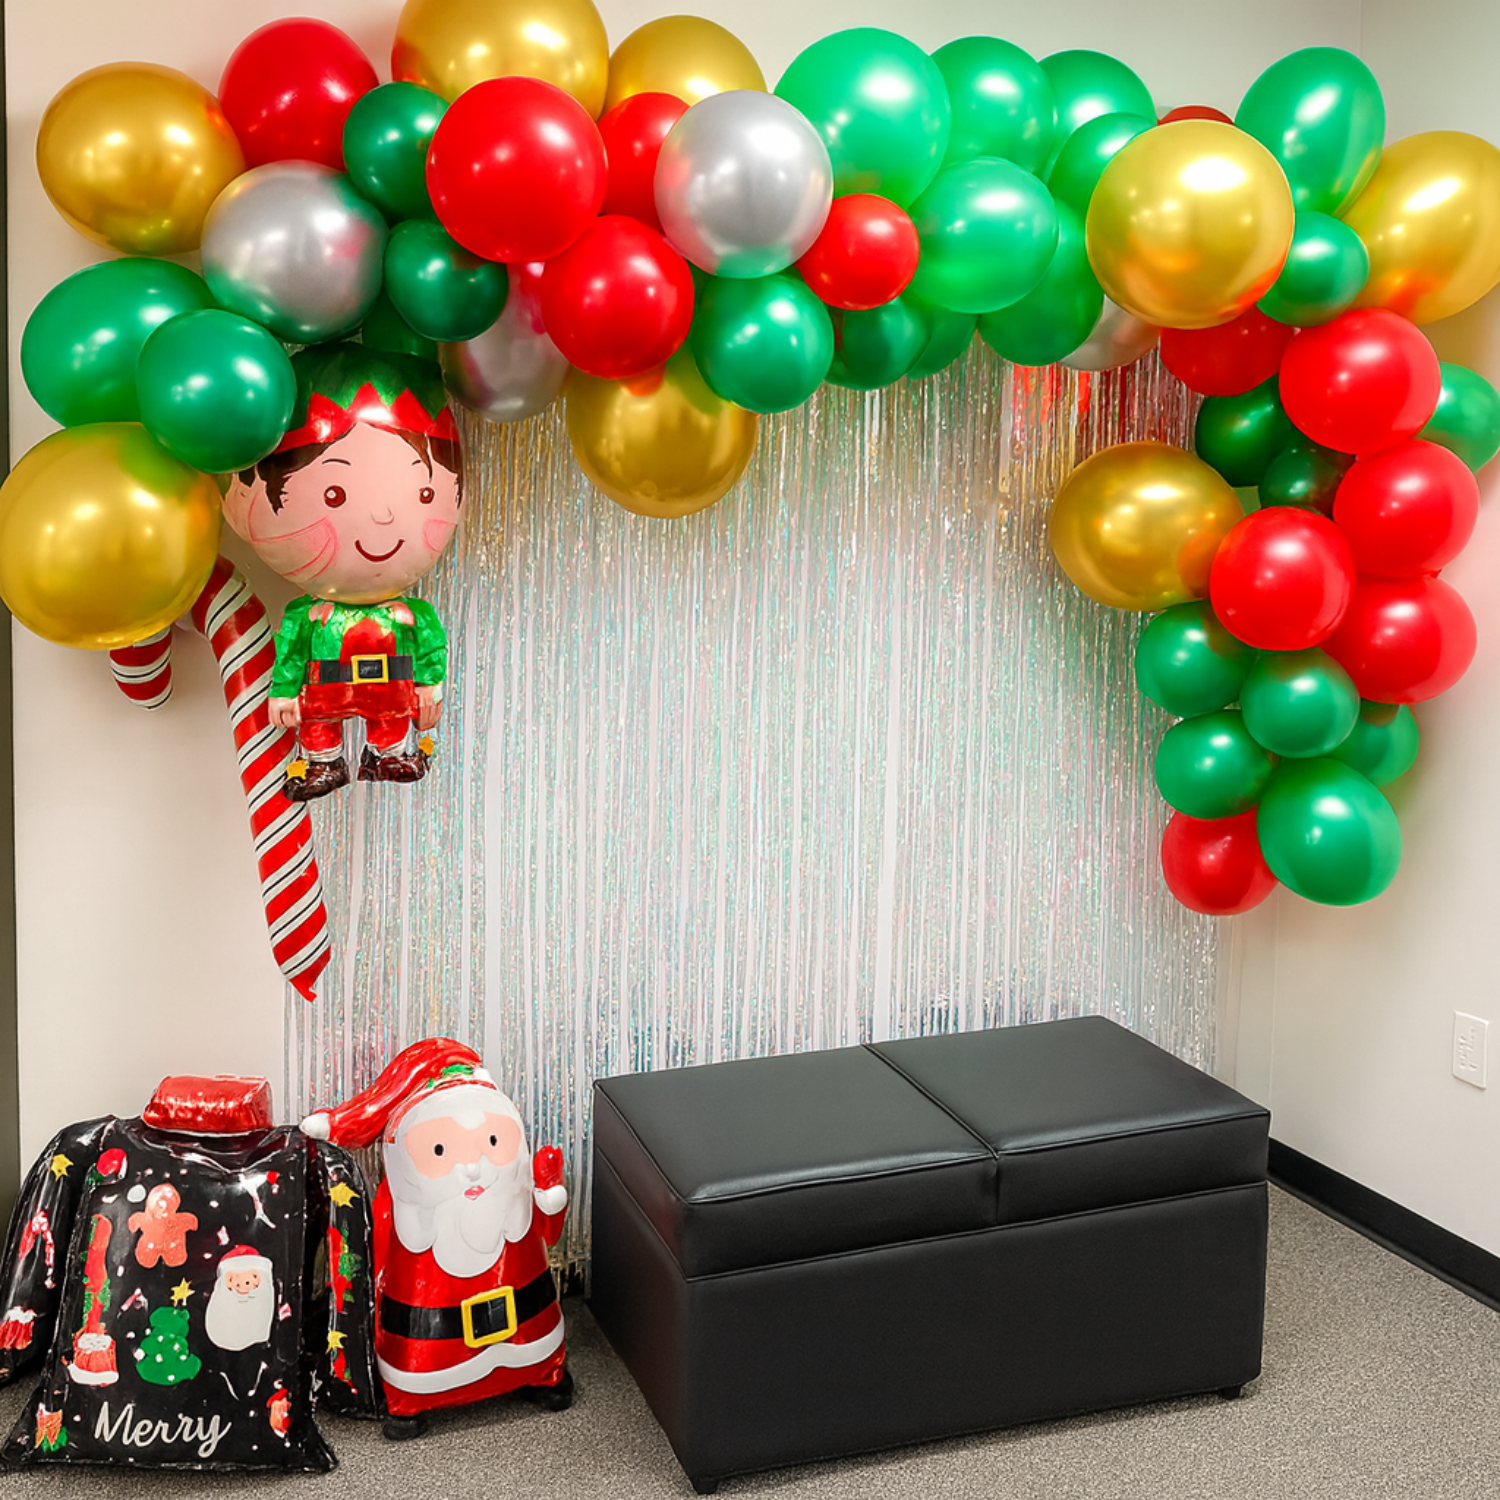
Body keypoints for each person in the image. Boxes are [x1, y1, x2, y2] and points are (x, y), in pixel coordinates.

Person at [222, 344, 464, 801]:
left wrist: (430, 686)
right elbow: (290, 655)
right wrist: (283, 693)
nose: (384, 519)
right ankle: (323, 762)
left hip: (389, 696)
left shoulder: (410, 614)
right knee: (319, 726)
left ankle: (387, 753)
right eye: (333, 494)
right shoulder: (308, 616)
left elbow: (432, 648)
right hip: (324, 697)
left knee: (388, 720)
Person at [300, 1039, 571, 1437]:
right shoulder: (403, 1211)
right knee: (423, 1358)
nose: (473, 1170)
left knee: (533, 1327)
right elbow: (371, 1259)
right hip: (427, 1328)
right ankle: (411, 1399)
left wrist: (550, 1198)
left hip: (529, 1317)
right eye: (441, 1149)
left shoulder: (514, 1191)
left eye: (493, 1143)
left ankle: (543, 1372)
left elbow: (548, 1231)